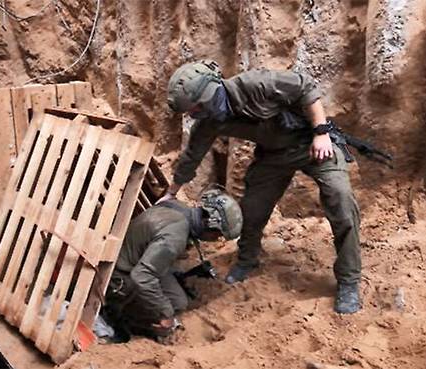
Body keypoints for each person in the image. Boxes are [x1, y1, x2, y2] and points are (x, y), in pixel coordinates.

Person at [162, 60, 362, 314]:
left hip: (313, 145)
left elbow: (307, 87)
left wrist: (321, 132)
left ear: (213, 91)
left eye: (199, 107)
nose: (197, 114)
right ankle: (248, 260)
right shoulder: (209, 120)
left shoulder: (257, 84)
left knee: (342, 202)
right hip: (273, 156)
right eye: (192, 112)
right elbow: (191, 158)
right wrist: (171, 192)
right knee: (252, 211)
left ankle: (349, 281)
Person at [105, 189, 242, 340]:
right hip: (118, 274)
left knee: (178, 301)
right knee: (164, 312)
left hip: (137, 259)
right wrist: (165, 314)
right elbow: (142, 277)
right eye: (217, 235)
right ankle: (122, 323)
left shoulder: (178, 207)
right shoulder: (175, 238)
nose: (215, 240)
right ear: (210, 224)